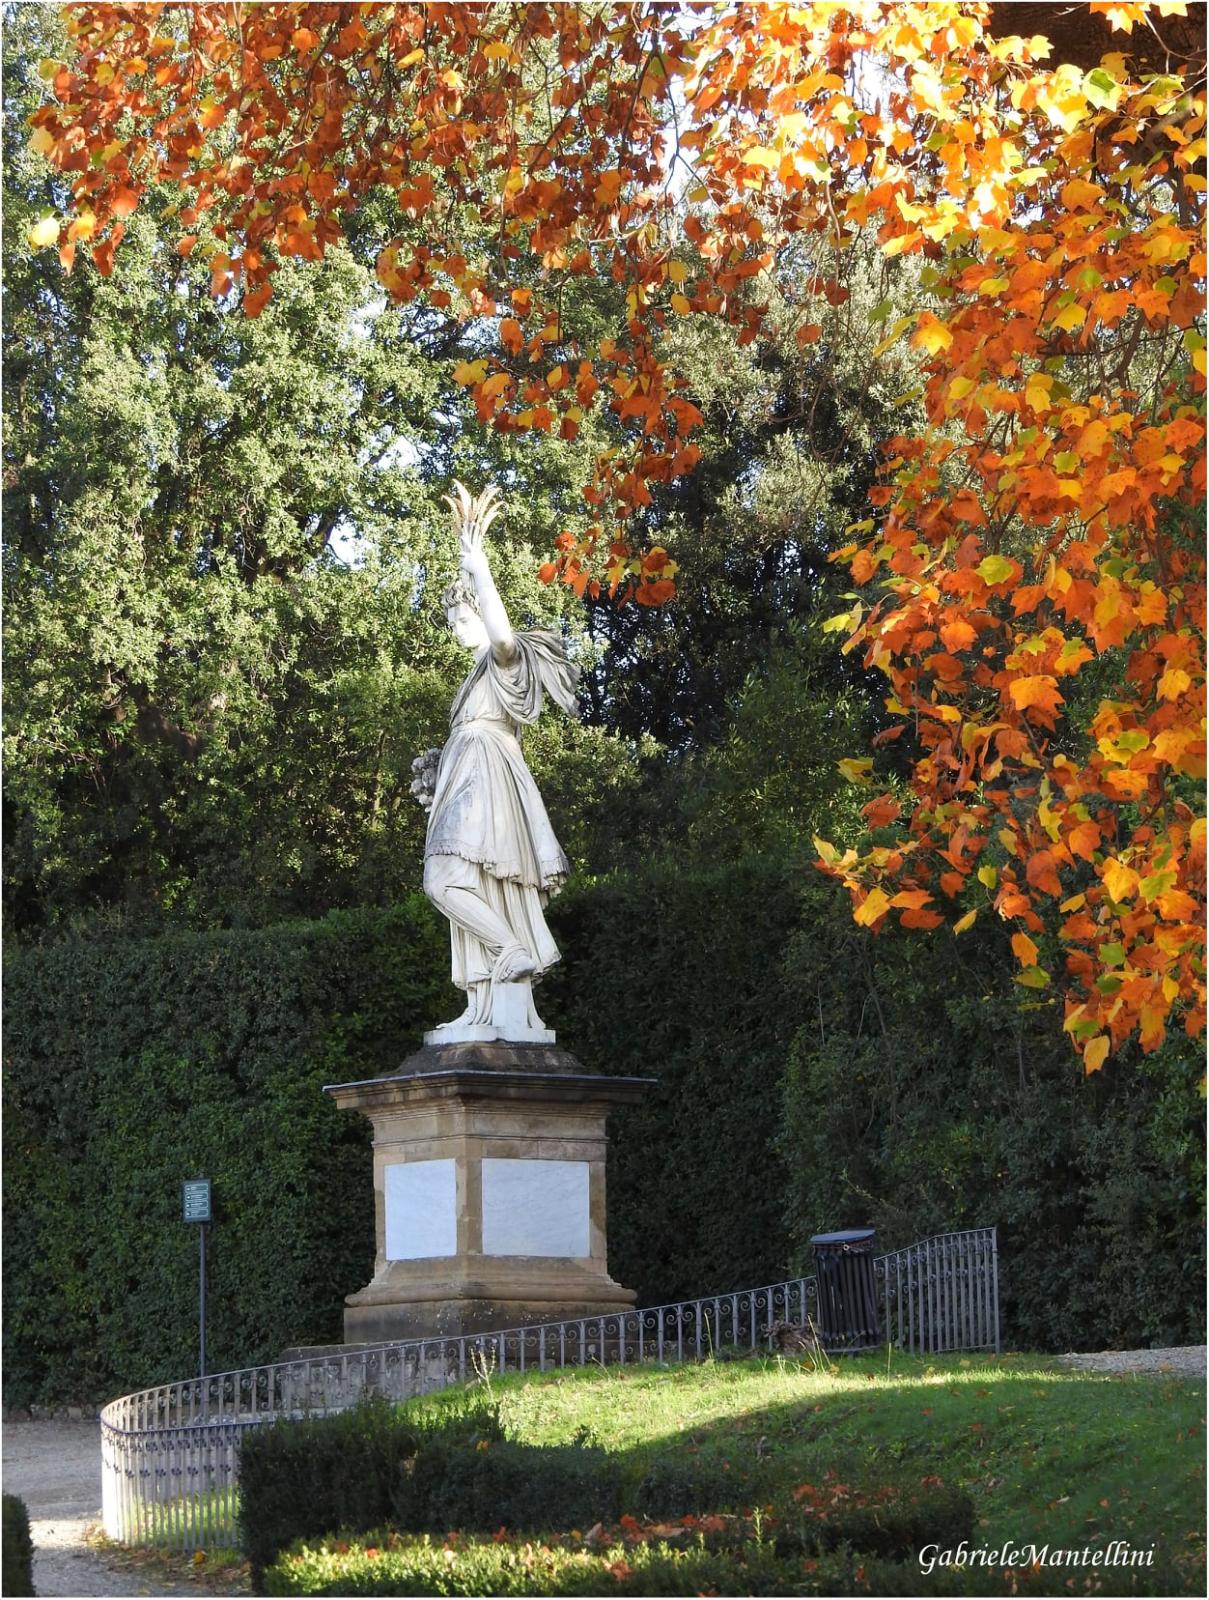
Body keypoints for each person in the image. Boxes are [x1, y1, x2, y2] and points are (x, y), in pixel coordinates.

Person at [415, 483, 578, 1039]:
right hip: (468, 772)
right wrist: (436, 781)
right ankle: (486, 1005)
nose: (458, 625)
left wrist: (477, 567)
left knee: (444, 878)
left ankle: (509, 947)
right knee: (472, 882)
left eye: (464, 615)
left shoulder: (501, 659)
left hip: (489, 774)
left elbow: (505, 639)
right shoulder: (471, 681)